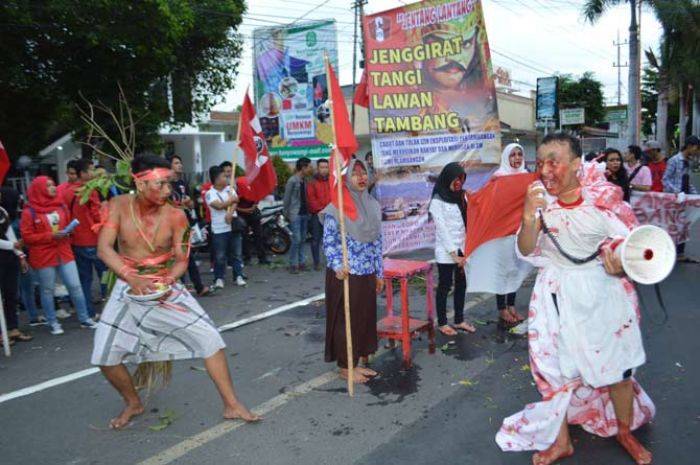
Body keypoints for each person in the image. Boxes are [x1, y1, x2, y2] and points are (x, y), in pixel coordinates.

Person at [496, 133, 654, 465]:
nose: (546, 170)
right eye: (540, 162)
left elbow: (634, 245)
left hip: (602, 292)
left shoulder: (603, 199)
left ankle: (624, 431)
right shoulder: (539, 203)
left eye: (554, 160)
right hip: (555, 293)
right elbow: (526, 250)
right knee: (555, 371)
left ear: (577, 164)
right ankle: (561, 442)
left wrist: (620, 261)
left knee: (618, 366)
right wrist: (528, 216)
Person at [92, 154, 258, 429]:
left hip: (164, 286)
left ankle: (231, 404)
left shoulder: (176, 215)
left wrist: (168, 280)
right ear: (140, 183)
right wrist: (131, 277)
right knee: (104, 356)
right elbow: (104, 249)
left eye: (169, 183)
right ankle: (133, 402)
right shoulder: (117, 207)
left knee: (211, 339)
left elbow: (182, 260)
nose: (168, 191)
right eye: (161, 184)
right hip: (127, 286)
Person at [323, 160, 383, 383]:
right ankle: (345, 367)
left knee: (362, 319)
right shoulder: (336, 206)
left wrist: (379, 273)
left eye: (363, 173)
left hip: (367, 272)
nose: (361, 177)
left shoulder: (372, 205)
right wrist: (338, 266)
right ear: (346, 178)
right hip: (345, 274)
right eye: (355, 173)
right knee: (344, 321)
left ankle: (355, 362)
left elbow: (378, 243)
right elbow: (329, 242)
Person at [20, 176, 98, 335]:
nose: (53, 187)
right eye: (48, 186)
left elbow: (68, 226)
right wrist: (50, 236)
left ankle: (85, 318)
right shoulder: (29, 212)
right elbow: (27, 237)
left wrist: (68, 232)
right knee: (47, 289)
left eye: (53, 184)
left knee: (75, 286)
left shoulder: (61, 206)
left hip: (64, 251)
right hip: (43, 255)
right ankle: (52, 321)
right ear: (39, 189)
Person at [428, 162, 475, 336]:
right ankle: (442, 322)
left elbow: (471, 217)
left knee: (461, 285)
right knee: (445, 286)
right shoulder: (437, 201)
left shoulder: (461, 196)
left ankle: (459, 320)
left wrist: (472, 199)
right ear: (447, 178)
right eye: (455, 179)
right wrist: (453, 254)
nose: (458, 183)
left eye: (461, 179)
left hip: (463, 248)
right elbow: (442, 229)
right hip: (446, 251)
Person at [62, 158, 108, 318]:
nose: (93, 173)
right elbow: (97, 215)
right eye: (90, 170)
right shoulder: (90, 191)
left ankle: (88, 313)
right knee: (105, 275)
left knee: (85, 280)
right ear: (82, 173)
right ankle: (108, 309)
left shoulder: (66, 191)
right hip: (94, 239)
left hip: (76, 241)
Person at [489, 143, 529, 325]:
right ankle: (502, 308)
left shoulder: (526, 176)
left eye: (519, 154)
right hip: (503, 231)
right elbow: (491, 203)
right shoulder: (498, 177)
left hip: (520, 230)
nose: (516, 158)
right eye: (512, 155)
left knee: (516, 270)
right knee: (503, 271)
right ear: (506, 157)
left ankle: (512, 306)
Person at [168, 155, 211, 296]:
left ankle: (196, 287)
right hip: (171, 227)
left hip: (185, 224)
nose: (180, 165)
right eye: (176, 163)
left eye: (180, 162)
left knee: (188, 256)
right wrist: (181, 205)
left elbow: (191, 203)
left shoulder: (183, 183)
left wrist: (190, 203)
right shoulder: (166, 185)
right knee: (180, 257)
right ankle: (185, 287)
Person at [0, 190, 33, 344]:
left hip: (9, 259)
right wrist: (12, 245)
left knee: (11, 295)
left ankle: (13, 329)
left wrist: (20, 254)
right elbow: (9, 241)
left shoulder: (2, 211)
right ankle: (2, 334)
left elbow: (9, 233)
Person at [205, 165, 245, 289]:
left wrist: (230, 212)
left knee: (236, 254)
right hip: (219, 230)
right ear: (216, 179)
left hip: (233, 226)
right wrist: (230, 201)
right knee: (220, 256)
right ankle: (219, 278)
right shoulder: (210, 193)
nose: (226, 177)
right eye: (223, 176)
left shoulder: (230, 189)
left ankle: (238, 276)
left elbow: (236, 201)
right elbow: (218, 206)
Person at [663, 135, 700, 261]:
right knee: (671, 227)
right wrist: (677, 192)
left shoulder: (687, 162)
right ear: (689, 146)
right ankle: (666, 251)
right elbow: (665, 179)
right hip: (673, 200)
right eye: (696, 148)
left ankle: (680, 254)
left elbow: (687, 181)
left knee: (683, 226)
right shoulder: (674, 160)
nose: (697, 151)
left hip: (684, 200)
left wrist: (695, 195)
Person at [283, 157, 313, 273]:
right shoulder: (292, 180)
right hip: (295, 214)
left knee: (302, 239)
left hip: (305, 213)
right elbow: (286, 199)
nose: (310, 169)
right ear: (303, 167)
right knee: (297, 239)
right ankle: (293, 264)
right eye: (309, 166)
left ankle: (301, 263)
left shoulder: (304, 180)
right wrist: (287, 214)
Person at [236, 177, 270, 266]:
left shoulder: (252, 187)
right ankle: (247, 258)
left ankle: (262, 258)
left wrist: (253, 207)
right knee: (244, 237)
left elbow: (257, 198)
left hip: (253, 213)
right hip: (241, 214)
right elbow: (233, 206)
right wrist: (245, 210)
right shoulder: (235, 192)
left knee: (259, 235)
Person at [307, 158, 331, 271]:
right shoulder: (312, 182)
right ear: (318, 168)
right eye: (322, 167)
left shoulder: (332, 180)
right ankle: (316, 262)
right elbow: (311, 199)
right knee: (316, 239)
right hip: (317, 214)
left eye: (326, 167)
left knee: (331, 238)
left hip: (331, 214)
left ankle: (332, 261)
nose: (324, 170)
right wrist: (322, 210)